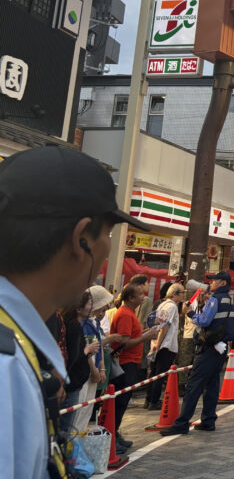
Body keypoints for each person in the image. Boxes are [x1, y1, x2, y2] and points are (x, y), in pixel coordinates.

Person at [0, 146, 150, 478]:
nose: (108, 248)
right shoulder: (7, 368)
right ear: (81, 239)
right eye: (108, 233)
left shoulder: (21, 345)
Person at [160, 270, 234, 435]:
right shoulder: (229, 299)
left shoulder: (215, 299)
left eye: (215, 281)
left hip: (208, 347)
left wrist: (191, 312)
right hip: (220, 347)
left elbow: (204, 321)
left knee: (194, 385)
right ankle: (208, 420)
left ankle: (181, 423)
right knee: (212, 385)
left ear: (222, 283)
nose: (211, 283)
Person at [111, 283, 161, 449]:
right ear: (131, 298)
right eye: (139, 294)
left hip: (131, 361)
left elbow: (132, 336)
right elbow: (124, 343)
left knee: (123, 401)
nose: (143, 297)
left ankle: (115, 433)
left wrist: (147, 332)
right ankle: (111, 435)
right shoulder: (125, 314)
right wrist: (146, 337)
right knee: (120, 401)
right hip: (126, 362)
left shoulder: (130, 312)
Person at [60, 291, 101, 432]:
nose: (92, 306)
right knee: (66, 427)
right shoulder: (73, 327)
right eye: (89, 303)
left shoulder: (71, 324)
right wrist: (87, 349)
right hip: (71, 383)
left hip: (72, 382)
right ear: (78, 308)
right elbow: (73, 356)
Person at [145, 283, 183, 409]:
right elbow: (165, 326)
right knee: (160, 374)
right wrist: (158, 344)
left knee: (153, 373)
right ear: (175, 294)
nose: (184, 295)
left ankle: (149, 399)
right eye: (182, 293)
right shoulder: (171, 306)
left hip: (158, 343)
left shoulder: (162, 304)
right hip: (165, 345)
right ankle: (154, 401)